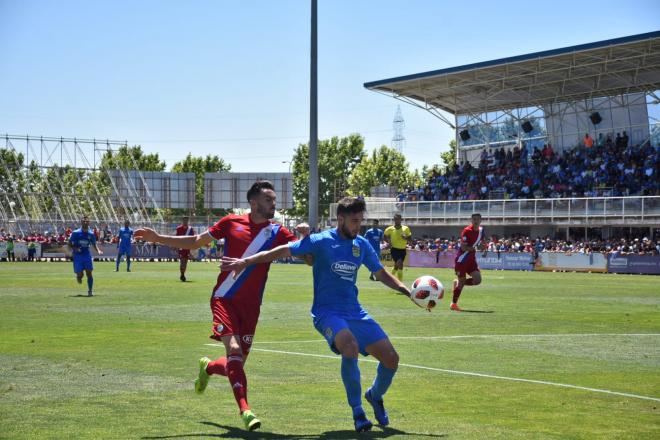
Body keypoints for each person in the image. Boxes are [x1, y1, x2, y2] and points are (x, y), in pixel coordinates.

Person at [221, 197, 413, 433]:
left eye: (360, 221)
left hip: (355, 312)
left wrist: (405, 289)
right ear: (340, 219)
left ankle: (374, 395)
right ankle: (357, 411)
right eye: (354, 221)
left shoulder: (361, 245)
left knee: (392, 360)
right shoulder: (321, 241)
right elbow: (282, 250)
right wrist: (246, 261)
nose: (358, 226)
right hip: (327, 313)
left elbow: (381, 273)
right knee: (349, 346)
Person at [134, 181, 310, 432]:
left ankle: (207, 366)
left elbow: (308, 258)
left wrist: (305, 236)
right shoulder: (231, 222)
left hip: (252, 307)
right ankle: (246, 411)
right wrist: (157, 237)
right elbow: (196, 241)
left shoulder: (278, 231)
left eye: (274, 199)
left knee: (234, 364)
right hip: (224, 298)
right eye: (269, 199)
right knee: (235, 350)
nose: (274, 204)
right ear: (254, 202)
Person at [450, 213, 487, 312]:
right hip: (462, 260)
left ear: (480, 220)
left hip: (471, 259)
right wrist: (476, 248)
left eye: (477, 219)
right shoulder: (467, 231)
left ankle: (458, 284)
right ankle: (453, 304)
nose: (475, 221)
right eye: (474, 219)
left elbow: (483, 241)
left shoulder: (481, 230)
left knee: (478, 280)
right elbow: (463, 247)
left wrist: (484, 249)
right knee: (462, 282)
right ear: (471, 220)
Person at [68, 216, 103, 296]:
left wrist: (98, 250)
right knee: (80, 274)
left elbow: (94, 244)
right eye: (84, 221)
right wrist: (76, 248)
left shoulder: (91, 234)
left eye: (87, 221)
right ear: (81, 222)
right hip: (78, 256)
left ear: (89, 222)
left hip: (87, 255)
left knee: (89, 273)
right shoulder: (75, 233)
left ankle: (90, 291)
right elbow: (69, 244)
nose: (85, 222)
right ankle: (79, 276)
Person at [383, 213, 411, 282]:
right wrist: (388, 243)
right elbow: (384, 236)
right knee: (400, 264)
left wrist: (405, 238)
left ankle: (389, 278)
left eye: (398, 219)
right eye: (395, 219)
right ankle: (400, 283)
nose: (397, 220)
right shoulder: (390, 229)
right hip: (394, 249)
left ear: (401, 220)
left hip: (403, 249)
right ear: (394, 220)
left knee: (396, 266)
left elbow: (410, 239)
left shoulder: (406, 228)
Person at [176, 216, 195, 281]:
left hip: (188, 247)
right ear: (182, 221)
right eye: (184, 220)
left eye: (186, 220)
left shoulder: (191, 229)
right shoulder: (178, 228)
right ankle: (182, 274)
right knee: (182, 261)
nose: (185, 222)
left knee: (186, 261)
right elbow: (176, 238)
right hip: (181, 247)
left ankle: (183, 274)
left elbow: (193, 238)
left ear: (188, 221)